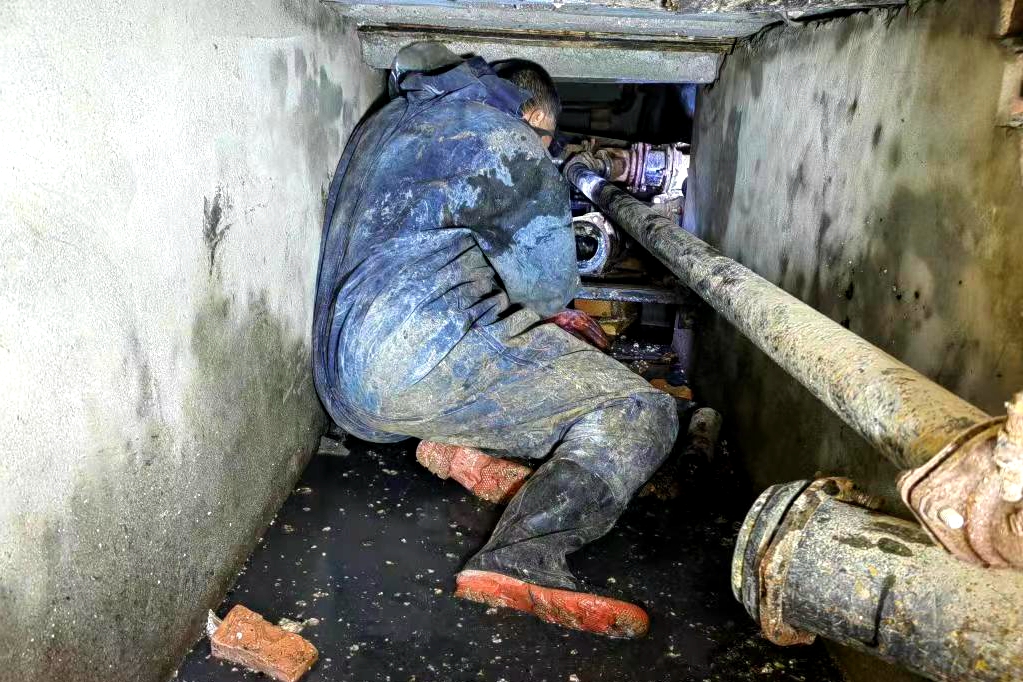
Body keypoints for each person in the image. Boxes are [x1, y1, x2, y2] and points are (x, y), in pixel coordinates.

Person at [312, 45, 678, 638]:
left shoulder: (395, 118)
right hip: (411, 367)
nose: (546, 151)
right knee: (641, 409)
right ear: (534, 118)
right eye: (548, 141)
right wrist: (551, 315)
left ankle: (460, 453)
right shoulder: (509, 143)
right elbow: (548, 292)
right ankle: (523, 557)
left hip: (342, 393)